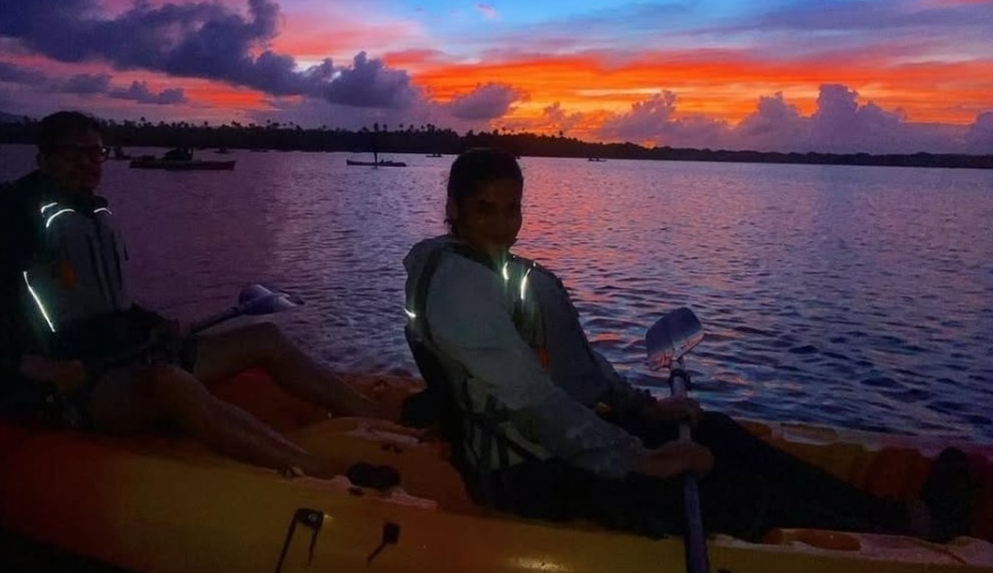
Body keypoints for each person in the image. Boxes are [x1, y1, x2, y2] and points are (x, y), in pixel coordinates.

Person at [403, 147, 976, 542]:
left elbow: (576, 368)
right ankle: (902, 530)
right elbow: (529, 397)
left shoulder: (492, 268)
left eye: (513, 209)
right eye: (486, 210)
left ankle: (894, 515)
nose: (504, 226)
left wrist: (641, 408)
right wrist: (637, 457)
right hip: (526, 474)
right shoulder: (459, 288)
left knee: (717, 433)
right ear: (453, 208)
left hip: (554, 443)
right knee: (727, 488)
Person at [0, 110, 387, 482]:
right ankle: (319, 473)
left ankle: (383, 420)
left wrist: (154, 325)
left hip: (124, 354)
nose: (90, 163)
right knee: (168, 381)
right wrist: (40, 367)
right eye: (76, 153)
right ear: (44, 157)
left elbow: (103, 308)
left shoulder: (90, 213)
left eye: (97, 153)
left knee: (263, 335)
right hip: (72, 385)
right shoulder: (11, 217)